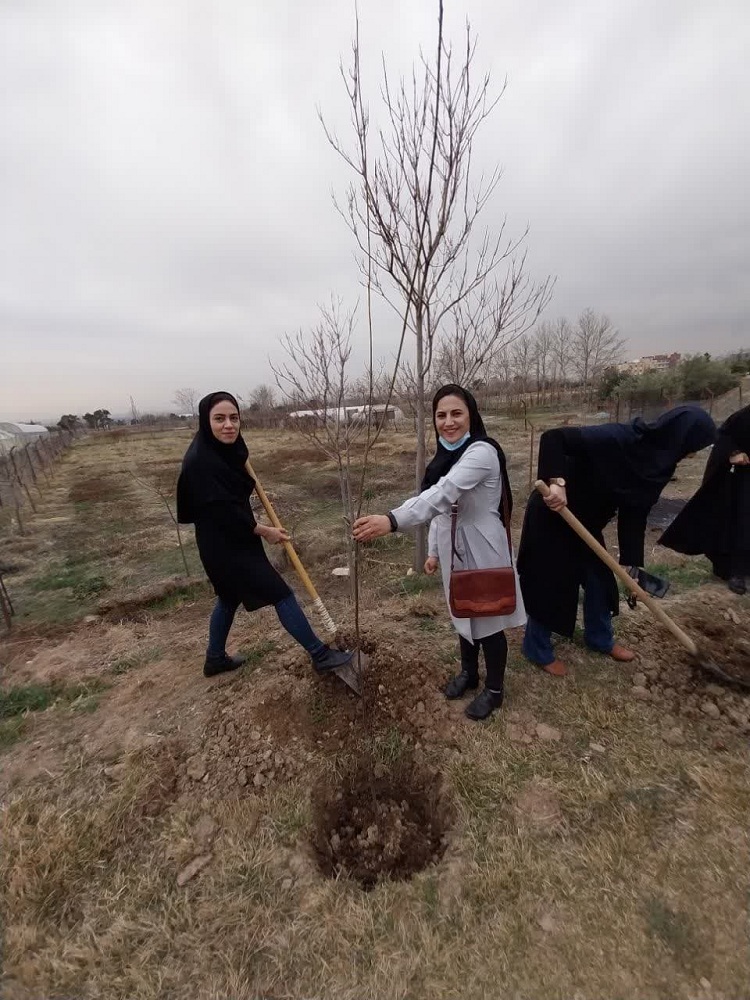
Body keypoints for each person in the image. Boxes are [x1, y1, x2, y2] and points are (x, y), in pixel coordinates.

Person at [352, 385, 526, 721]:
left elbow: (443, 493)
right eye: (441, 415)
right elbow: (441, 510)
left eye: (456, 413)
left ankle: (494, 690)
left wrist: (391, 520)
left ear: (471, 415)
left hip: (482, 545)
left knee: (488, 618)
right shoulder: (446, 458)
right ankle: (469, 673)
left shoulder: (481, 453)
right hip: (453, 547)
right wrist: (433, 551)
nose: (448, 422)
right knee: (462, 610)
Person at [518, 405, 717, 676]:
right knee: (550, 583)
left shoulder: (659, 468)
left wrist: (633, 564)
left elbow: (635, 512)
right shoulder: (620, 437)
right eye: (696, 446)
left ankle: (599, 639)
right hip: (554, 515)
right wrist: (557, 483)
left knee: (601, 581)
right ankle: (536, 648)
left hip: (587, 524)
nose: (694, 453)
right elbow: (553, 438)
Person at [176, 391, 354, 677]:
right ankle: (320, 655)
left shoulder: (223, 450)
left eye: (234, 418)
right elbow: (223, 513)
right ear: (205, 421)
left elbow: (232, 500)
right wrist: (264, 530)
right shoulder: (201, 463)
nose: (228, 425)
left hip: (232, 538)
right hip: (224, 547)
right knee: (281, 594)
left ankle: (215, 659)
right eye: (219, 419)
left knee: (228, 597)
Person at [659, 403, 750, 594]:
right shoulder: (743, 417)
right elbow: (724, 436)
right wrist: (734, 453)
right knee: (741, 522)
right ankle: (736, 571)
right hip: (742, 480)